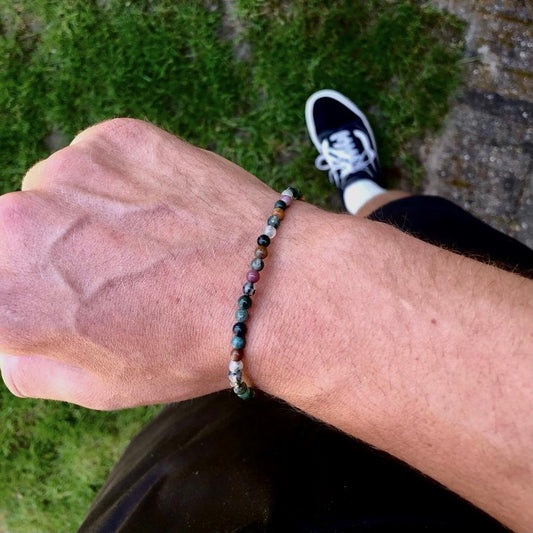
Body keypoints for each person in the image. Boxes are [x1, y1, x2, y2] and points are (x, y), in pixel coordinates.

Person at [0, 90, 531, 532]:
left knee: (415, 233)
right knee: (437, 244)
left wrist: (292, 282)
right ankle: (366, 196)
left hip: (207, 459)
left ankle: (366, 195)